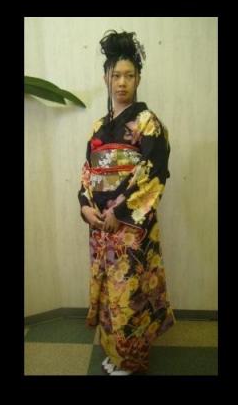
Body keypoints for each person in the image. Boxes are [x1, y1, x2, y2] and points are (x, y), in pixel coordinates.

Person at [78, 30, 175, 375]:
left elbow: (154, 172)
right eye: (116, 75)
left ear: (138, 79)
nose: (122, 83)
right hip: (100, 227)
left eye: (129, 76)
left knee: (130, 295)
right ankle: (115, 353)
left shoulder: (148, 123)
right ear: (105, 78)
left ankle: (131, 362)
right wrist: (85, 205)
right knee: (109, 294)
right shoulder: (98, 127)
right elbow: (87, 172)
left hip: (131, 228)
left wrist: (119, 211)